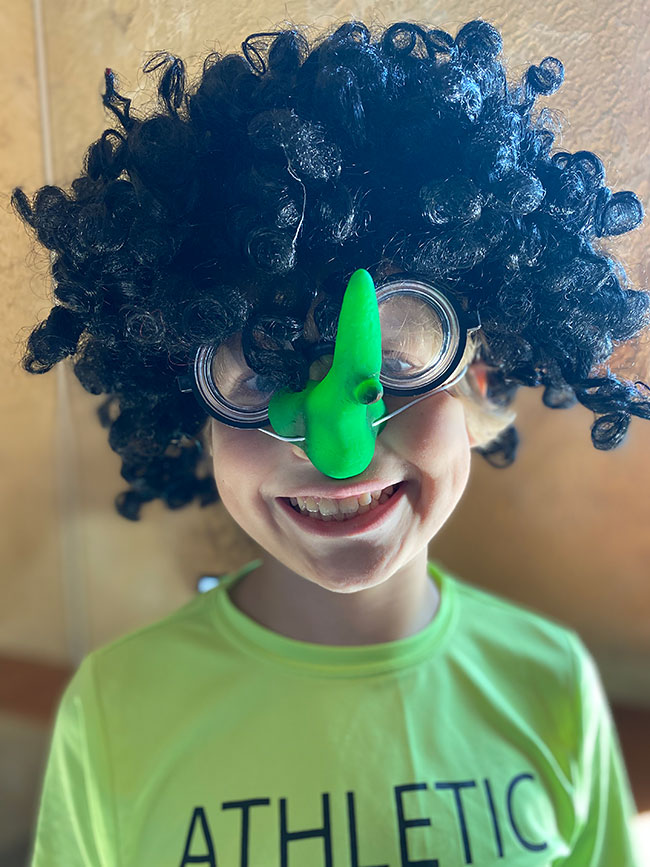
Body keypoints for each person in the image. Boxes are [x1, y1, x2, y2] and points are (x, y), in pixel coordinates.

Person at [14, 18, 648, 866]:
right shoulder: (113, 708)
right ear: (190, 405)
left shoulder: (553, 680)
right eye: (260, 374)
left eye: (396, 364)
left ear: (480, 373)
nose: (333, 452)